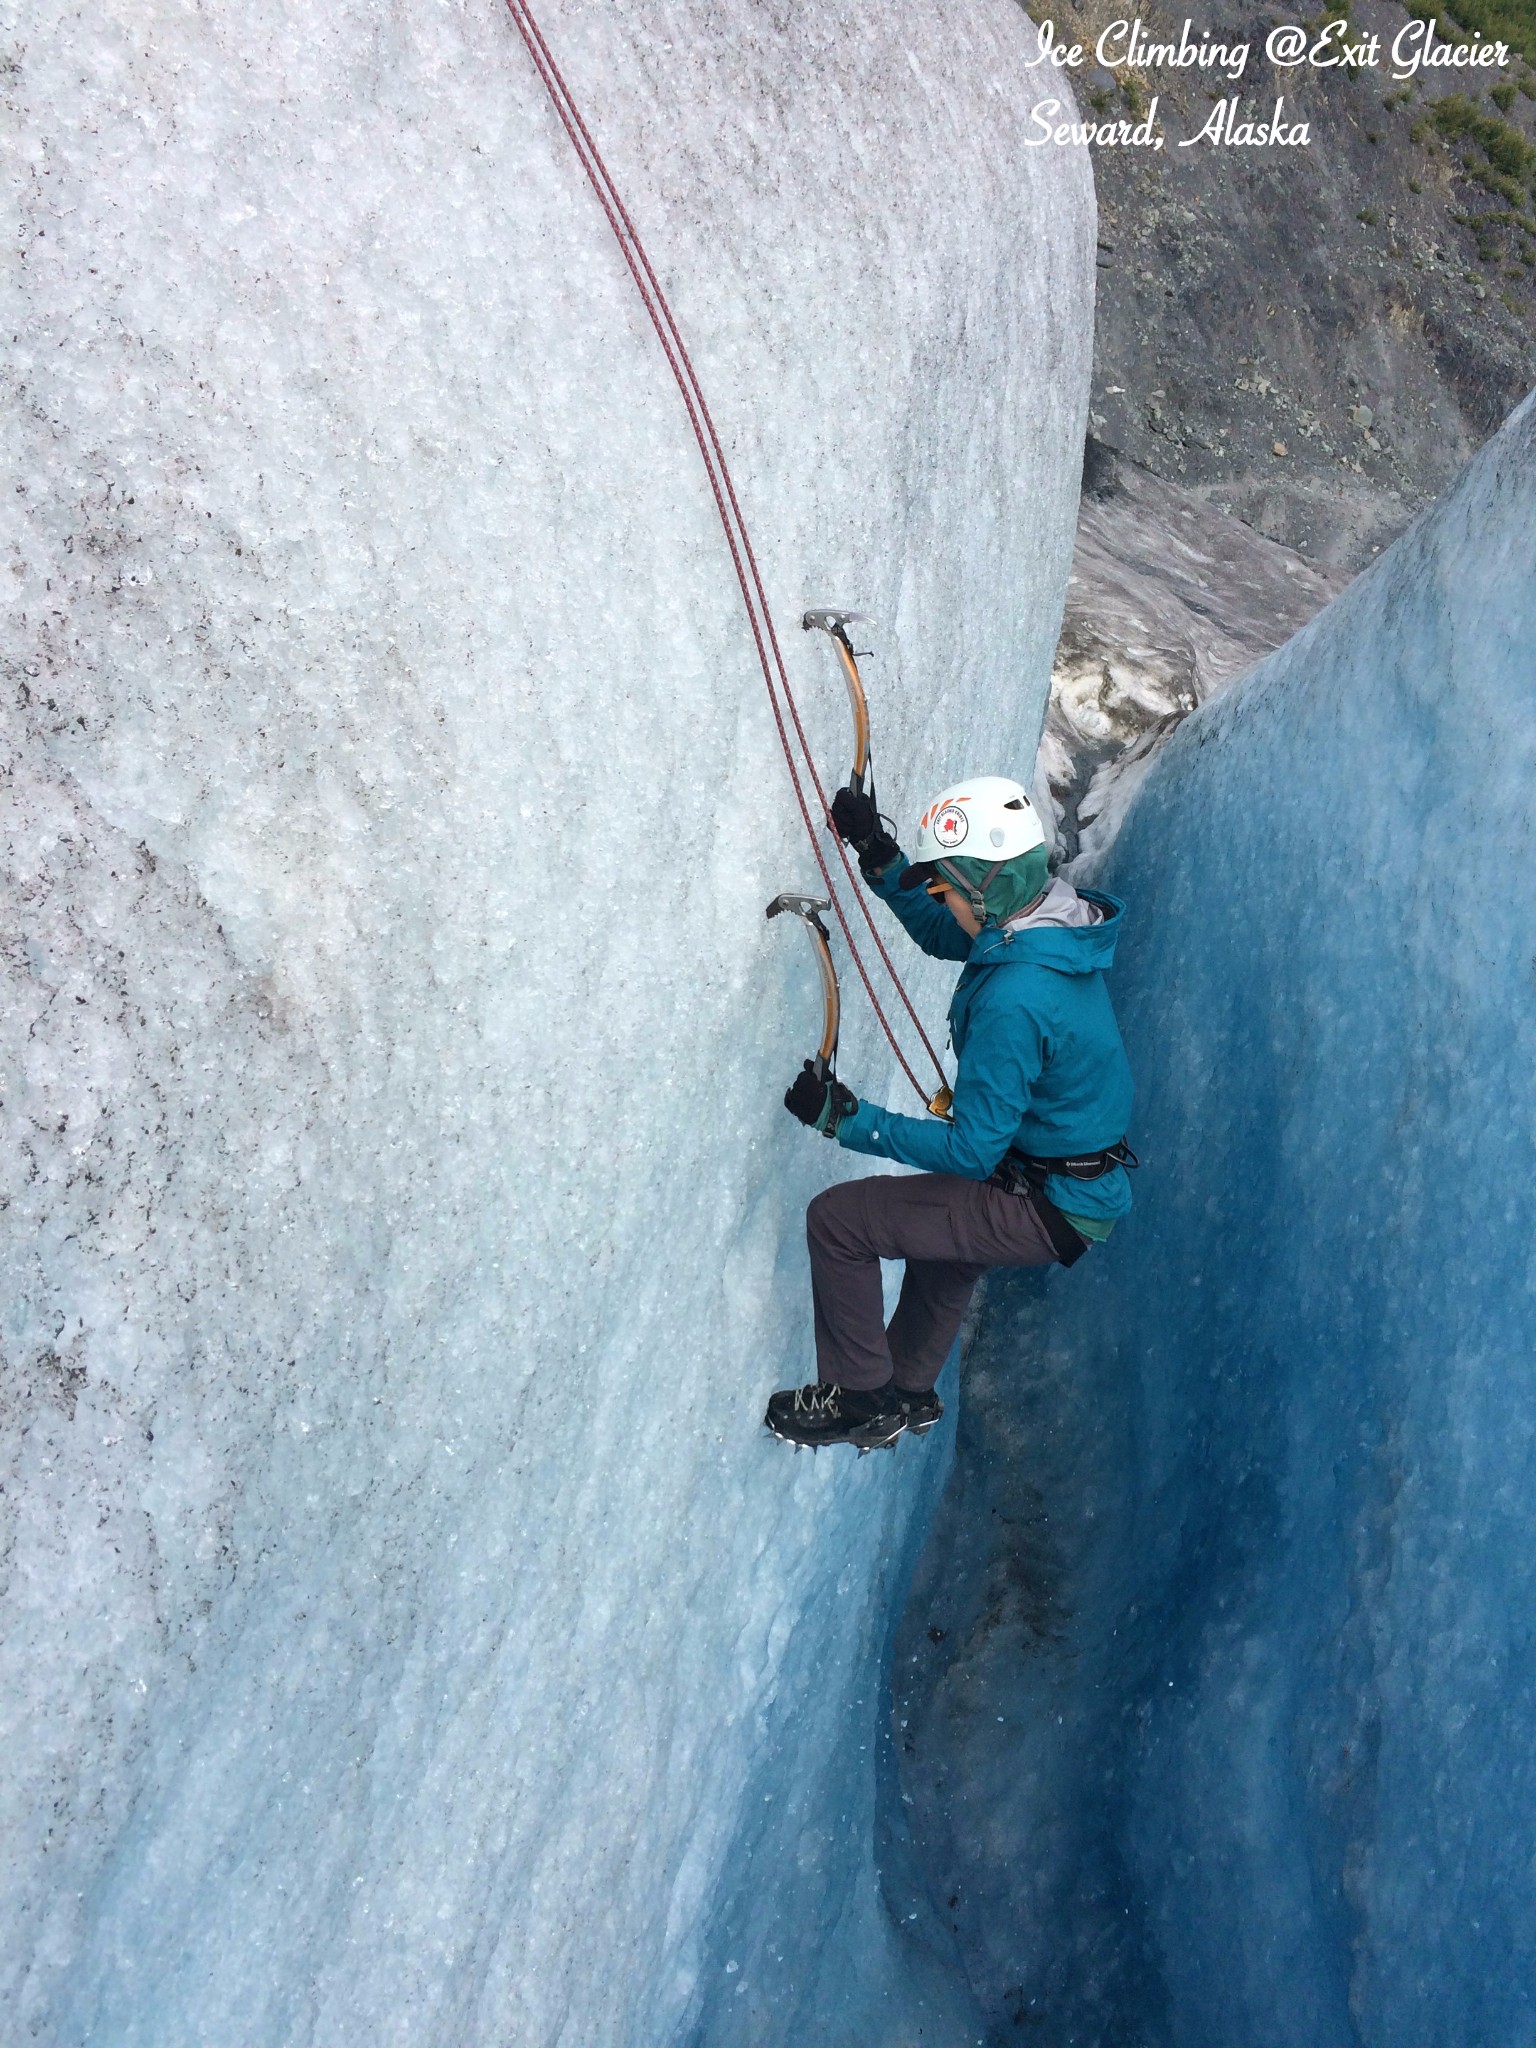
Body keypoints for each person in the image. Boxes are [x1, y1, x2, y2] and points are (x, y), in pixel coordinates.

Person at [765, 774, 1135, 1451]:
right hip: (1067, 1186)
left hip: (1043, 1197)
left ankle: (859, 1400)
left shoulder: (1016, 996)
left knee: (839, 1222)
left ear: (986, 888)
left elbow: (972, 1153)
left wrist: (847, 1121)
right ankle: (907, 1388)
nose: (941, 899)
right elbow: (945, 932)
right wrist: (881, 856)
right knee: (948, 1246)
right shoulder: (1041, 920)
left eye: (948, 887)